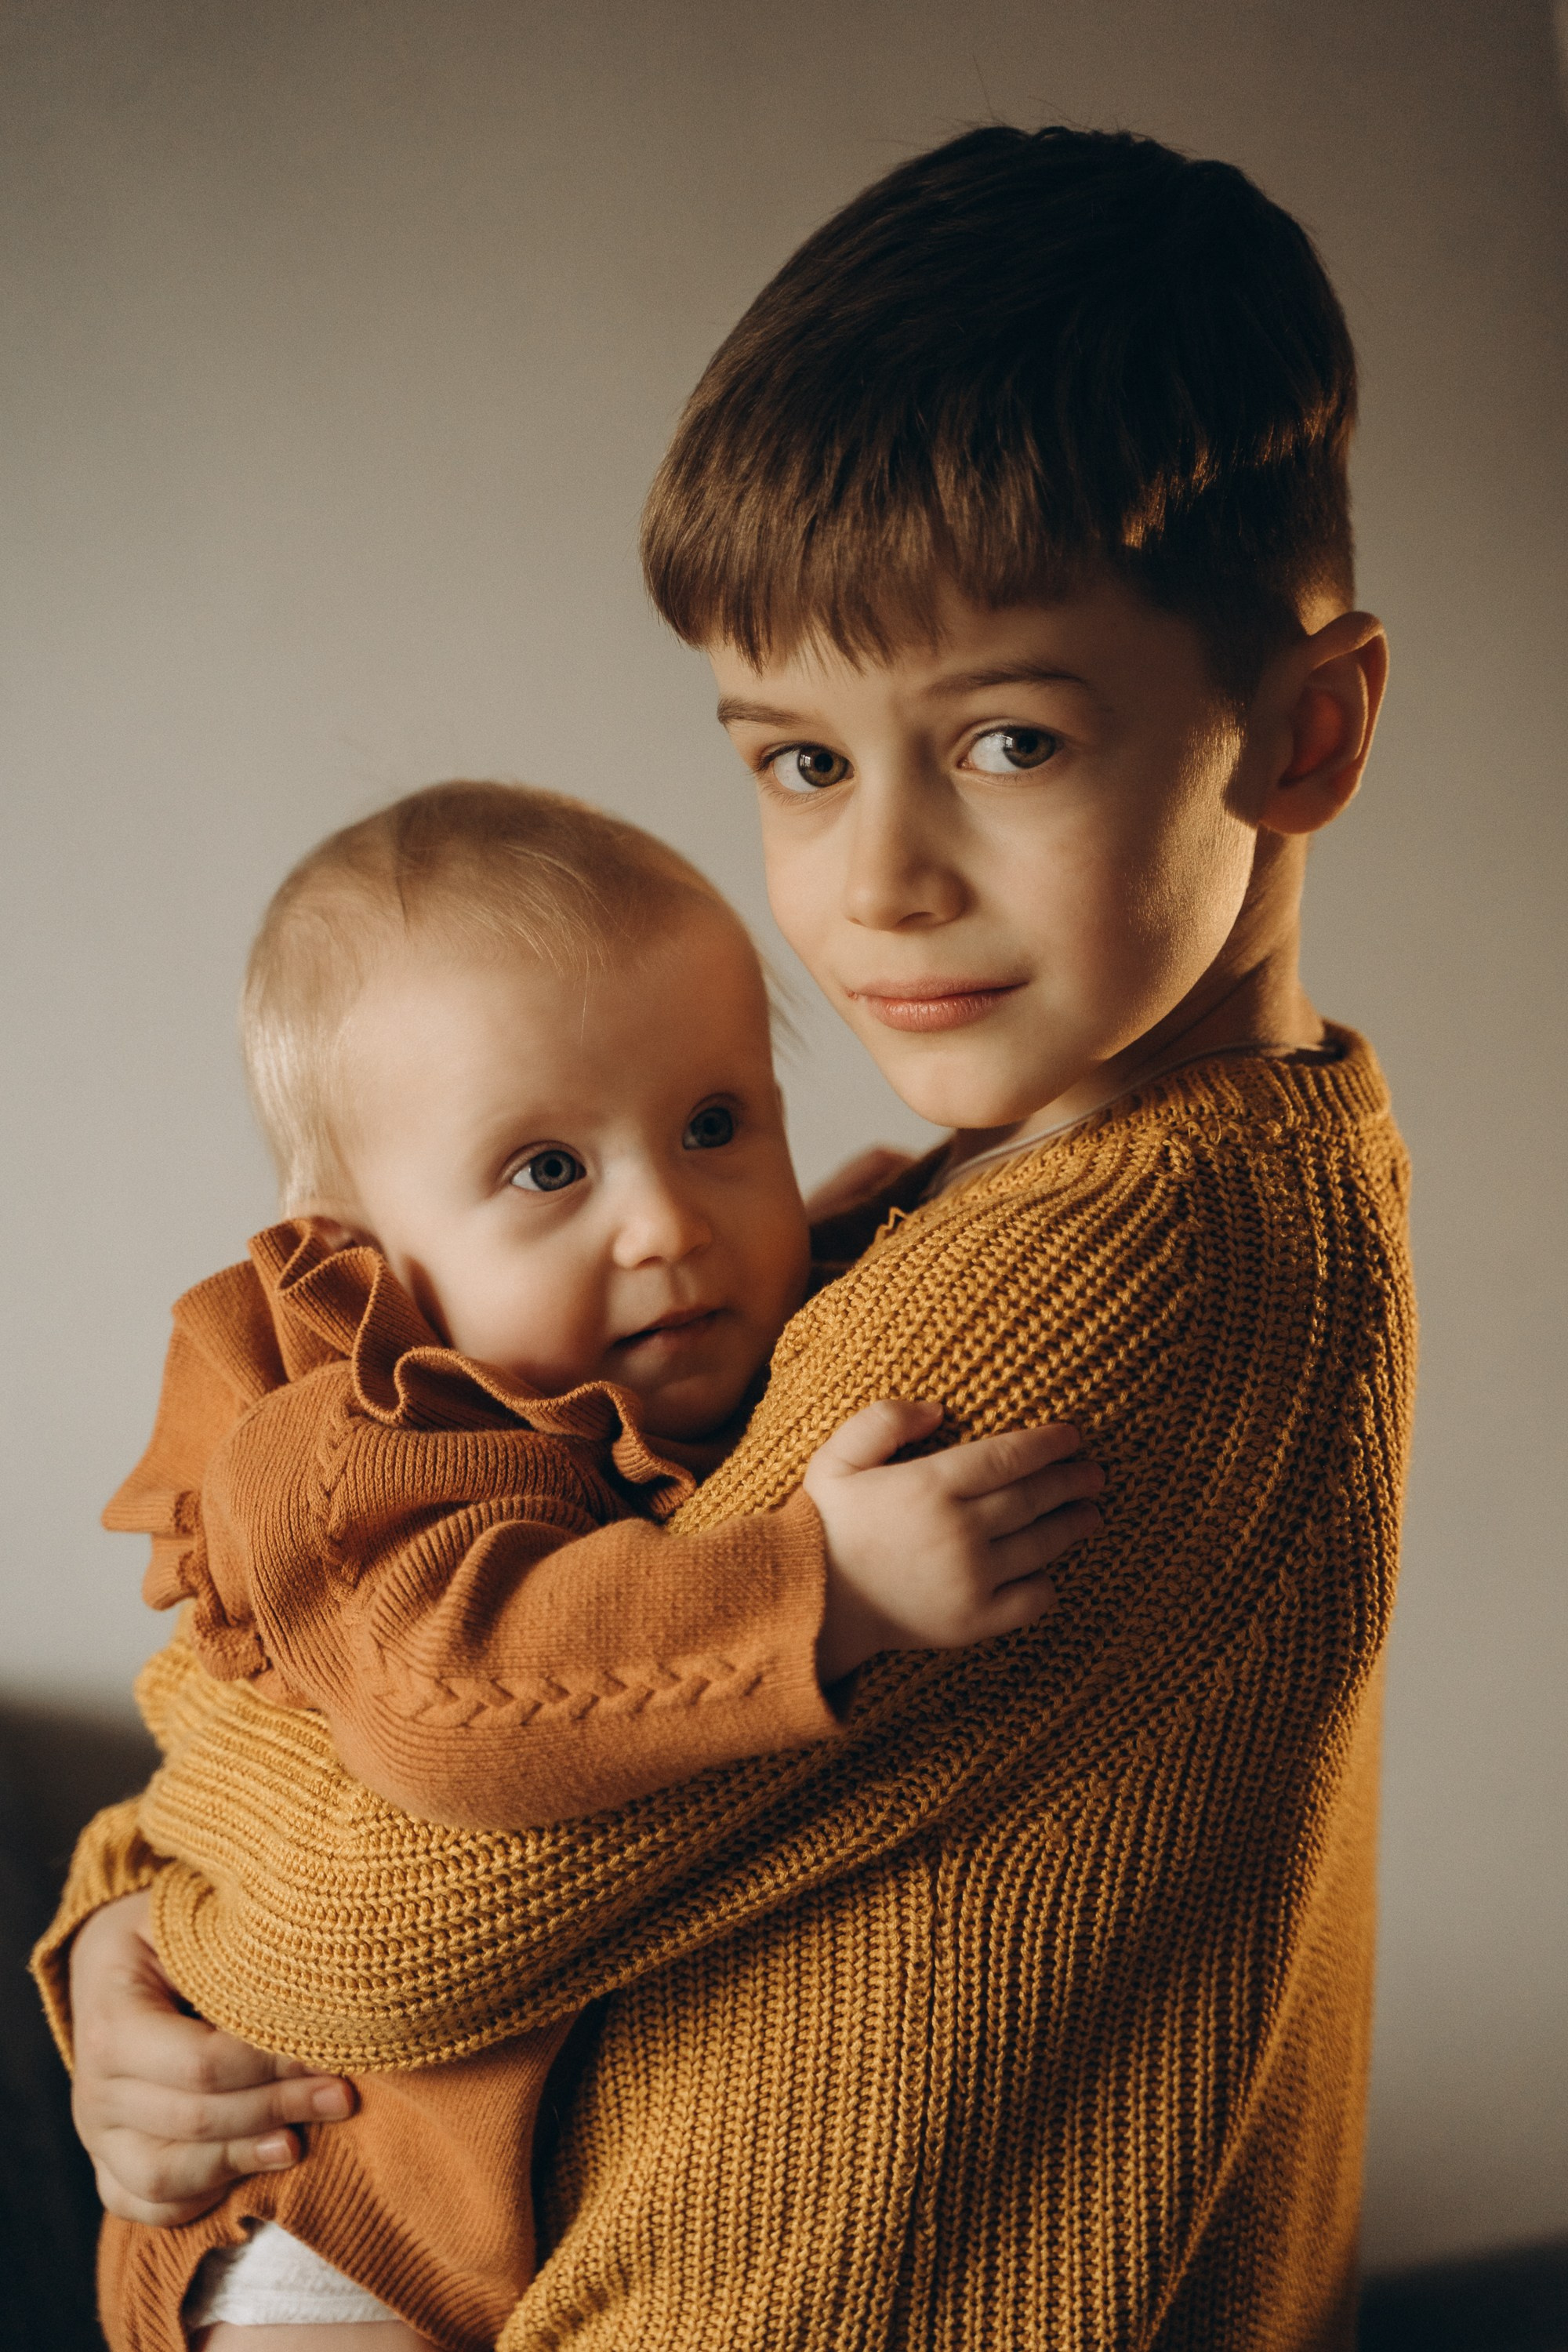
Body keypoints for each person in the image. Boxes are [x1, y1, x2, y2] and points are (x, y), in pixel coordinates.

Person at [45, 123, 1415, 2350]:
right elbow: (438, 1687)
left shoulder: (1111, 1278)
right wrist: (112, 1930)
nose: (876, 884)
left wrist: (142, 1911)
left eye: (1006, 739)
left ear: (1308, 730)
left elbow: (390, 1927)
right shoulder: (994, 1208)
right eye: (796, 763)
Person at [51, 778, 1092, 2350]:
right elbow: (452, 1701)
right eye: (547, 1172)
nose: (667, 1222)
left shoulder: (696, 1335)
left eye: (715, 1123)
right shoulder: (364, 1446)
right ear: (355, 1246)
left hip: (527, 2220)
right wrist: (832, 1592)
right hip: (329, 2224)